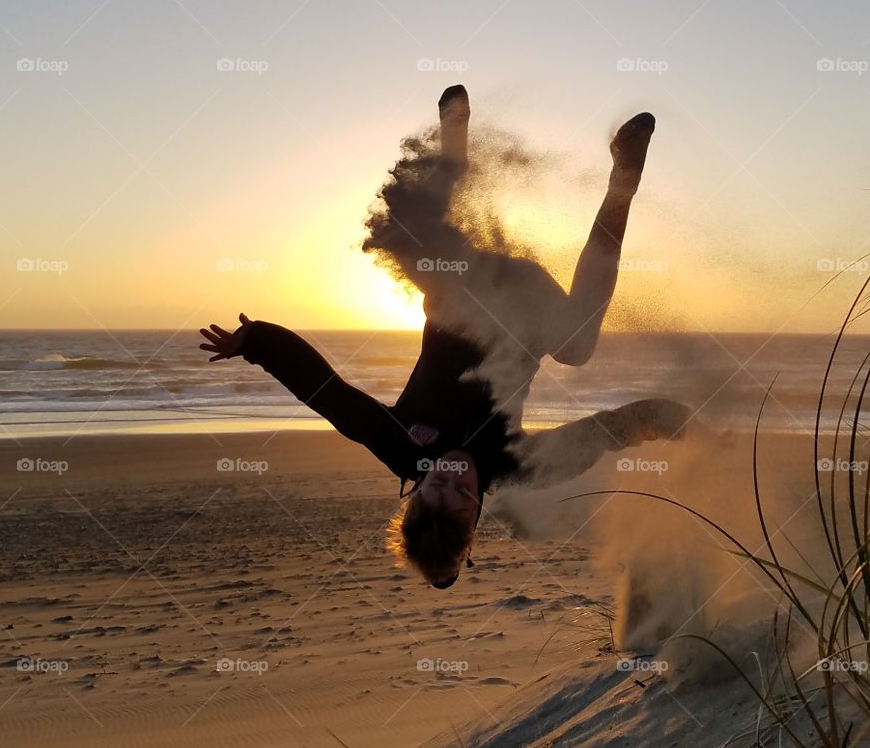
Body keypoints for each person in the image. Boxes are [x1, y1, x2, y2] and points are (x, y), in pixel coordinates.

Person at [200, 87, 691, 589]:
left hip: (464, 284)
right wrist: (688, 426)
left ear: (413, 493)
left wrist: (255, 343)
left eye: (436, 484)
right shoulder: (516, 467)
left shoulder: (399, 444)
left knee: (420, 248)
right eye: (461, 492)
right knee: (577, 346)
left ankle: (452, 139)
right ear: (477, 512)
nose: (452, 475)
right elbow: (610, 432)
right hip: (526, 302)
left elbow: (324, 393)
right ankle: (623, 181)